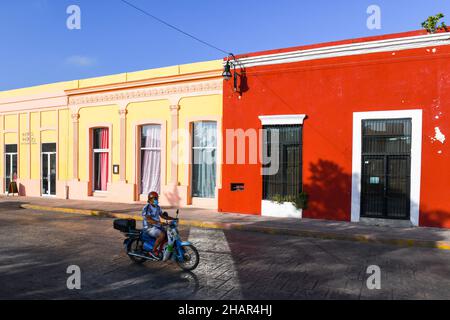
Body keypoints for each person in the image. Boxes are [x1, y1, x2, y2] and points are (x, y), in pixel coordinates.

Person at [142, 191, 175, 259]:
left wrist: (173, 218)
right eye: (155, 198)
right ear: (150, 199)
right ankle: (153, 250)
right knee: (162, 235)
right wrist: (159, 223)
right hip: (149, 227)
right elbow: (149, 219)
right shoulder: (147, 207)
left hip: (156, 226)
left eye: (157, 198)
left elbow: (162, 215)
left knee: (168, 233)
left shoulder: (157, 207)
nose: (156, 200)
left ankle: (162, 249)